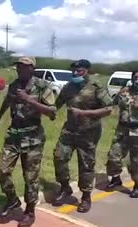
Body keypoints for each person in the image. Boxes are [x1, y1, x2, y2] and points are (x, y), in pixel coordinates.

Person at [0, 56, 56, 227]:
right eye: (18, 66)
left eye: (24, 67)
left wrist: (29, 99)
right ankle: (12, 200)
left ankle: (30, 211)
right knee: (2, 171)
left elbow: (52, 113)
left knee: (30, 177)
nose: (20, 69)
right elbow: (7, 101)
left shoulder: (43, 86)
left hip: (33, 136)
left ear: (32, 68)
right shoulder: (14, 85)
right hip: (14, 134)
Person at [53, 59, 113, 213]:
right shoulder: (69, 87)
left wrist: (84, 113)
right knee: (59, 157)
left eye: (79, 70)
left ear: (87, 71)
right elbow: (56, 104)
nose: (75, 73)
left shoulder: (96, 86)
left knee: (86, 164)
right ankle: (65, 187)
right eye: (74, 70)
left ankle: (86, 197)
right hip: (69, 130)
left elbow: (108, 109)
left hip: (89, 132)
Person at [106, 69, 138, 198]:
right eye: (136, 77)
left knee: (137, 162)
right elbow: (110, 103)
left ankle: (137, 185)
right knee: (113, 157)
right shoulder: (124, 91)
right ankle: (115, 179)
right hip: (122, 131)